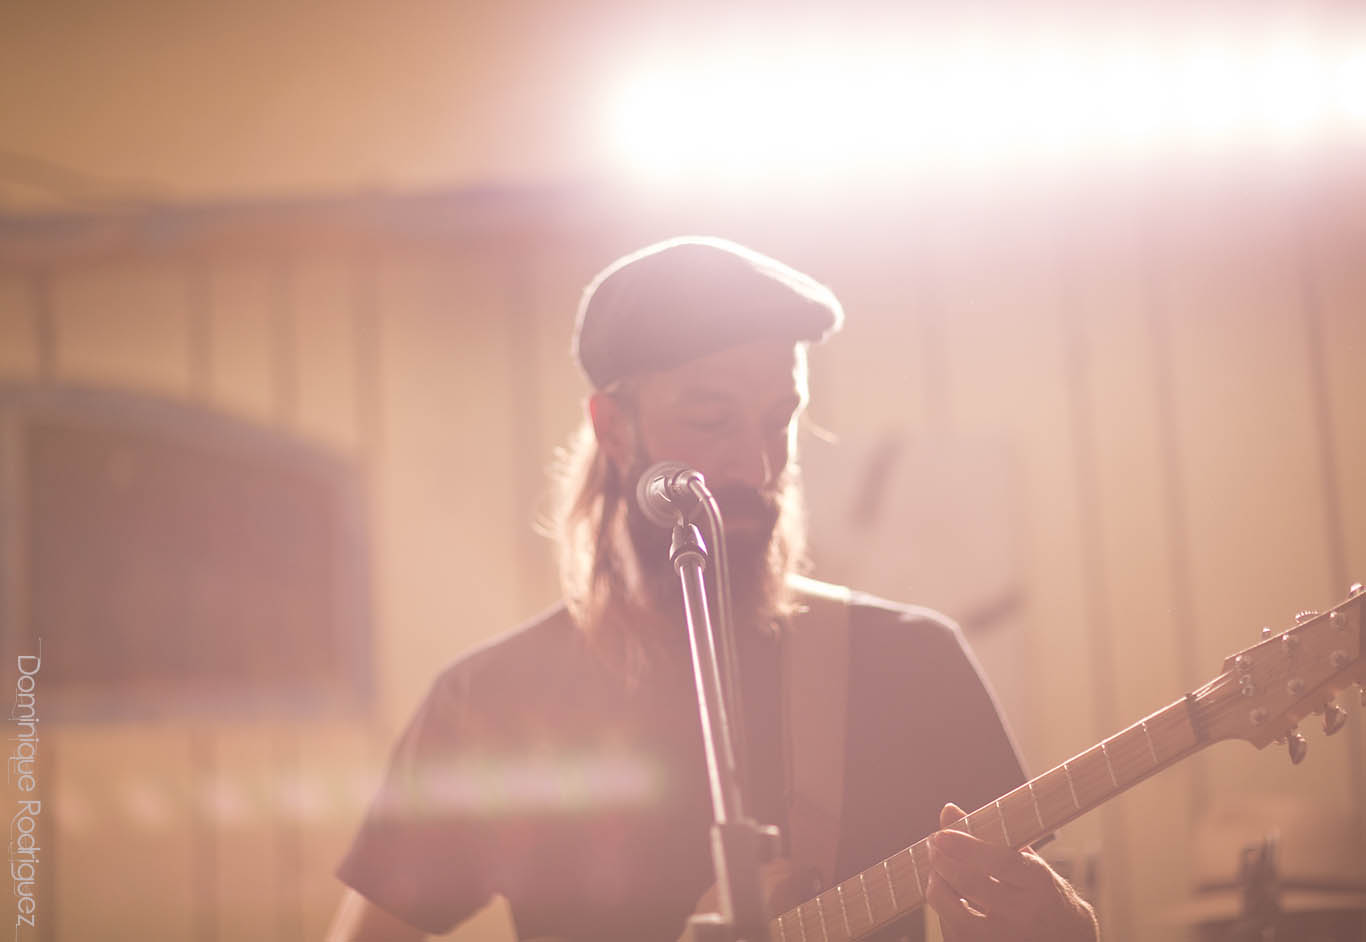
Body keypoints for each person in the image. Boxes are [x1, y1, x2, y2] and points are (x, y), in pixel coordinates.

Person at [327, 237, 1099, 942]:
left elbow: (1026, 914)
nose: (755, 467)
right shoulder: (488, 703)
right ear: (614, 427)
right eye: (710, 419)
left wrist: (1068, 929)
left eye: (778, 421)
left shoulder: (913, 663)